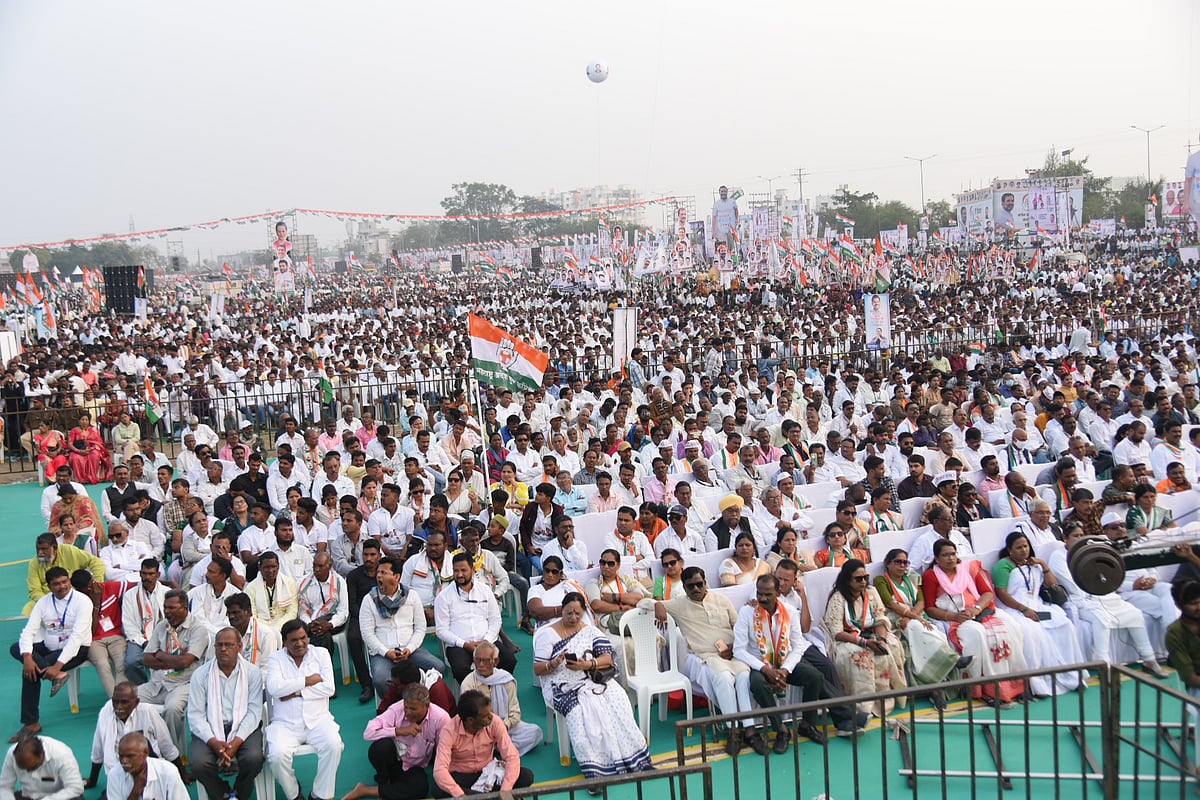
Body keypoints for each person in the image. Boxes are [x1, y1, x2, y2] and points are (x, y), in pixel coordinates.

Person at [734, 574, 862, 752]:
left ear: (778, 593)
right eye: (759, 593)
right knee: (758, 683)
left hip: (785, 660)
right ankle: (781, 729)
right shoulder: (746, 613)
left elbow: (798, 645)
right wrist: (765, 669)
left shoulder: (790, 612)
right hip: (759, 663)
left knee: (815, 676)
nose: (762, 598)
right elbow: (738, 650)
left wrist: (785, 670)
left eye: (768, 594)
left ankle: (807, 724)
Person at [532, 592, 652, 779]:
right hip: (561, 686)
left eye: (577, 614)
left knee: (618, 700)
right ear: (561, 610)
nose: (573, 618)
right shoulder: (548, 634)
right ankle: (596, 771)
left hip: (592, 680)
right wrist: (555, 663)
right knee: (579, 714)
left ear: (584, 612)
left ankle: (638, 761)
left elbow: (607, 658)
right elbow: (538, 669)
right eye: (568, 613)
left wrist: (586, 665)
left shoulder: (589, 630)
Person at [640, 567, 756, 756]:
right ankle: (732, 730)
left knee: (743, 676)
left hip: (732, 651)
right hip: (707, 655)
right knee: (724, 678)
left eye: (699, 584)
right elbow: (642, 603)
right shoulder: (680, 604)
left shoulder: (722, 600)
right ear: (684, 588)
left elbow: (738, 627)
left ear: (705, 583)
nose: (696, 589)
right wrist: (658, 605)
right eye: (690, 586)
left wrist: (733, 645)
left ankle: (750, 729)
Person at [921, 539, 1025, 707]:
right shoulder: (931, 576)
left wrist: (976, 609)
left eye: (953, 554)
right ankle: (985, 689)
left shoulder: (969, 569)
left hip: (979, 611)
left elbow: (987, 594)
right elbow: (930, 608)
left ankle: (1016, 686)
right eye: (945, 555)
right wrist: (953, 616)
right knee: (977, 634)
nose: (950, 558)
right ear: (937, 558)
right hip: (954, 619)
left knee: (1010, 628)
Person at [1050, 522, 1165, 674]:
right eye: (1075, 536)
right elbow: (1073, 585)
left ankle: (1149, 659)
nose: (1079, 539)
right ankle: (1105, 666)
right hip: (1081, 601)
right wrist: (1095, 589)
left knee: (1134, 614)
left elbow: (1104, 574)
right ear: (1065, 538)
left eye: (1081, 535)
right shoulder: (1058, 557)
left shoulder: (1087, 551)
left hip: (1103, 595)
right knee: (1101, 620)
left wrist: (1101, 589)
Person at [991, 530, 1084, 696]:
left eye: (1026, 546)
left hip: (1038, 605)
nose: (1023, 550)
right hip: (1014, 608)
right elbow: (1002, 594)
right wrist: (1024, 610)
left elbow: (1051, 585)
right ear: (1010, 550)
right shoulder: (1002, 566)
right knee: (1033, 632)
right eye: (1019, 548)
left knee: (1065, 624)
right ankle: (1039, 684)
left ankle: (1072, 676)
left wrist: (1044, 565)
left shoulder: (1033, 564)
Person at [874, 548, 970, 704]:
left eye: (905, 562)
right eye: (898, 562)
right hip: (895, 620)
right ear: (887, 564)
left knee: (936, 633)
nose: (902, 566)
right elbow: (890, 603)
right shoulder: (881, 580)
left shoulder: (912, 577)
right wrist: (910, 617)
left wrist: (912, 615)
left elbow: (921, 601)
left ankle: (936, 688)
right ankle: (954, 661)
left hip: (915, 616)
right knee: (917, 628)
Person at [10, 566, 93, 742]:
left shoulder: (83, 601)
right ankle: (54, 674)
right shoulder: (44, 602)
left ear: (69, 581)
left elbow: (77, 638)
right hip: (49, 648)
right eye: (56, 584)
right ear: (49, 586)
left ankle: (31, 723)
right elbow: (28, 631)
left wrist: (57, 667)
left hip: (75, 650)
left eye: (65, 582)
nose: (62, 586)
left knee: (30, 673)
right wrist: (27, 657)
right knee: (17, 648)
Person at [266, 620, 344, 800]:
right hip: (284, 724)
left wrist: (294, 691)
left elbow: (329, 688)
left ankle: (319, 795)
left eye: (303, 638)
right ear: (284, 642)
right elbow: (274, 688)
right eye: (293, 640)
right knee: (277, 756)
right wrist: (307, 681)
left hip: (318, 719)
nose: (300, 644)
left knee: (333, 745)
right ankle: (294, 794)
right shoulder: (275, 658)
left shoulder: (321, 654)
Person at [187, 628, 266, 800]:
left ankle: (238, 792)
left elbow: (254, 712)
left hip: (244, 727)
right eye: (219, 645)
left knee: (253, 758)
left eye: (228, 645)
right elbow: (195, 715)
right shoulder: (200, 675)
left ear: (239, 647)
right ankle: (222, 793)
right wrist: (214, 742)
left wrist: (236, 742)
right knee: (199, 763)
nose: (223, 649)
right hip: (210, 728)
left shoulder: (253, 673)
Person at [822, 559, 908, 715]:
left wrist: (881, 639)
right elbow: (837, 632)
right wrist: (865, 642)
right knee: (861, 656)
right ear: (848, 580)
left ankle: (887, 699)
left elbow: (880, 619)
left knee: (891, 645)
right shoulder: (838, 598)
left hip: (872, 633)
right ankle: (864, 706)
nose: (863, 582)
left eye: (866, 577)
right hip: (847, 638)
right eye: (858, 579)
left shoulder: (871, 592)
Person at [347, 684, 450, 800]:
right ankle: (385, 782)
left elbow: (445, 749)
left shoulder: (441, 718)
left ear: (427, 705)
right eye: (406, 707)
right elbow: (368, 733)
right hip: (394, 761)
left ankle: (366, 790)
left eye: (413, 708)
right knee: (380, 748)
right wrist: (398, 731)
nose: (408, 712)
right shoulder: (396, 709)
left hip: (415, 766)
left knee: (421, 788)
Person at [137, 589, 208, 755]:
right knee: (125, 700)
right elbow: (146, 659)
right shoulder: (162, 626)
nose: (167, 611)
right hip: (159, 683)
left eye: (172, 608)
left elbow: (185, 662)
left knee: (172, 709)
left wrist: (160, 655)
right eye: (165, 607)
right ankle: (144, 750)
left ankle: (173, 756)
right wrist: (171, 661)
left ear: (184, 607)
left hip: (185, 684)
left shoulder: (198, 629)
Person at [360, 555, 440, 698]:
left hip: (410, 649)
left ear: (396, 577)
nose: (379, 576)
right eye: (378, 572)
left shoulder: (411, 596)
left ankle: (422, 703)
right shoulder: (369, 599)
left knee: (437, 667)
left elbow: (420, 627)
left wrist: (409, 649)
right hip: (383, 653)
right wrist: (386, 652)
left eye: (383, 573)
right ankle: (396, 709)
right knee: (380, 679)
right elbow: (367, 634)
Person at [432, 689, 534, 797]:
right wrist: (461, 796)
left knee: (526, 776)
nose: (490, 717)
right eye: (485, 716)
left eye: (490, 712)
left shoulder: (495, 722)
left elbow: (512, 756)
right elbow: (439, 771)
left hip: (488, 772)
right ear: (470, 720)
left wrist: (505, 791)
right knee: (439, 789)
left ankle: (482, 796)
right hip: (462, 776)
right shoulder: (449, 730)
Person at [434, 553, 515, 683]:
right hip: (459, 645)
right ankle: (475, 697)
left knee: (509, 660)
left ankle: (493, 689)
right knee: (460, 669)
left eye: (463, 570)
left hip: (487, 641)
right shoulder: (443, 596)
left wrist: (486, 641)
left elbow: (495, 620)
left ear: (473, 570)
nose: (459, 574)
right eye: (456, 570)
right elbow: (441, 630)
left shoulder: (485, 590)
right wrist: (464, 644)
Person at [87, 681, 182, 790]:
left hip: (149, 772)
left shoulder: (147, 711)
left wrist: (182, 774)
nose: (118, 707)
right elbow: (97, 750)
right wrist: (92, 780)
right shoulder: (106, 712)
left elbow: (166, 745)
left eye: (124, 702)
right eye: (115, 702)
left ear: (136, 702)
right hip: (120, 775)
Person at [459, 642, 543, 755]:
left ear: (496, 662)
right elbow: (470, 719)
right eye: (477, 660)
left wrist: (503, 727)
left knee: (535, 732)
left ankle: (495, 748)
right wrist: (489, 732)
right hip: (480, 730)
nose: (481, 665)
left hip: (505, 727)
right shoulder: (468, 684)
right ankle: (500, 748)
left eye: (486, 660)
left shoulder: (506, 680)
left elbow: (515, 713)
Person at [25, 532, 106, 615]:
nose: (40, 553)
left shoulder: (69, 551)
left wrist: (97, 583)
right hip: (49, 600)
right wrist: (51, 602)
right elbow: (34, 590)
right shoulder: (34, 564)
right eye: (38, 549)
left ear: (55, 548)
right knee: (32, 608)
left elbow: (96, 562)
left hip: (74, 596)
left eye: (44, 549)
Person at [106, 731, 189, 800]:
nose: (124, 761)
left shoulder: (168, 772)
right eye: (121, 756)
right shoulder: (114, 775)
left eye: (130, 756)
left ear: (146, 753)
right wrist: (136, 789)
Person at [0, 733, 85, 800]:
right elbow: (4, 786)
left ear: (41, 755)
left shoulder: (62, 755)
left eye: (32, 767)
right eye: (23, 769)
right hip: (29, 795)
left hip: (60, 796)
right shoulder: (12, 755)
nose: (29, 772)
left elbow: (76, 788)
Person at [298, 552, 350, 656]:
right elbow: (302, 611)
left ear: (330, 566)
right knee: (320, 633)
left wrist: (330, 624)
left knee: (320, 633)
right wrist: (309, 624)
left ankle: (316, 667)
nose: (316, 569)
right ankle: (325, 668)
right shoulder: (304, 583)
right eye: (314, 566)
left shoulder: (339, 582)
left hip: (334, 621)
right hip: (310, 622)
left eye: (320, 566)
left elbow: (343, 611)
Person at [225, 591, 282, 667]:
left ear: (249, 612)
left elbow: (268, 668)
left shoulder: (266, 634)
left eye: (236, 613)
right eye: (229, 613)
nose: (231, 617)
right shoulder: (226, 634)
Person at [66, 412, 111, 484]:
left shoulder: (93, 430)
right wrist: (79, 451)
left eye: (86, 420)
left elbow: (99, 443)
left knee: (95, 455)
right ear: (79, 421)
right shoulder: (74, 430)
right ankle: (80, 479)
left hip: (91, 450)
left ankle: (92, 477)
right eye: (82, 419)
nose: (84, 421)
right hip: (77, 451)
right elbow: (70, 444)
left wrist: (91, 449)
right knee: (75, 458)